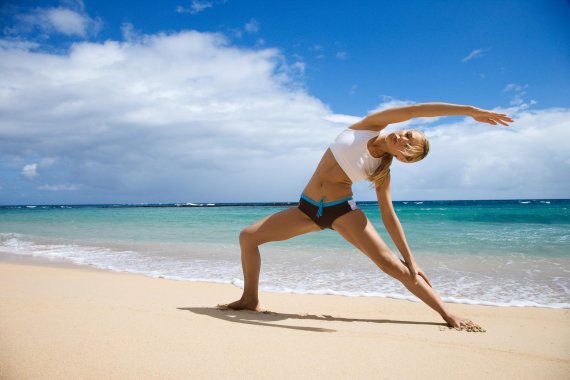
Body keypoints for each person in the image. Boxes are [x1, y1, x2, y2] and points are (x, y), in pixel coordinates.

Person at [223, 102, 513, 331]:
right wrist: (471, 112)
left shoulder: (381, 171)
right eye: (408, 134)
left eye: (406, 147)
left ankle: (448, 313)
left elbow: (389, 215)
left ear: (403, 158)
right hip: (306, 209)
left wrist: (410, 259)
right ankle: (250, 298)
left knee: (394, 266)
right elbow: (418, 109)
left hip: (341, 212)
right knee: (248, 237)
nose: (402, 138)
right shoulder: (370, 126)